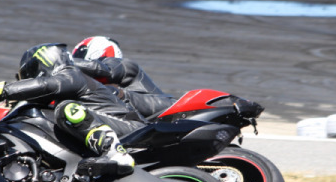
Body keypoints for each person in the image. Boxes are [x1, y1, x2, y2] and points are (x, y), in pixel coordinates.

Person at [0, 43, 141, 176]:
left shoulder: (71, 75)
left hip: (130, 129)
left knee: (67, 109)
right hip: (116, 128)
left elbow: (45, 85)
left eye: (30, 71)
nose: (28, 78)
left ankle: (114, 153)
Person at [72, 36, 264, 120]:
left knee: (110, 93)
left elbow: (100, 70)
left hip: (159, 111)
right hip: (134, 120)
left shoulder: (122, 65)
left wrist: (60, 62)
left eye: (80, 57)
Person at [72, 36, 176, 118]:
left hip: (164, 111)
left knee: (109, 91)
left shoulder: (124, 65)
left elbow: (104, 70)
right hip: (138, 122)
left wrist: (64, 62)